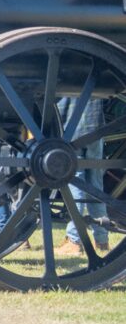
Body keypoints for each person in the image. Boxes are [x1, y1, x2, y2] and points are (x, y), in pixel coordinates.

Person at [56, 98, 109, 255]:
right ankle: (102, 239)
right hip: (95, 130)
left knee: (75, 186)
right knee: (95, 186)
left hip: (70, 134)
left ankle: (74, 240)